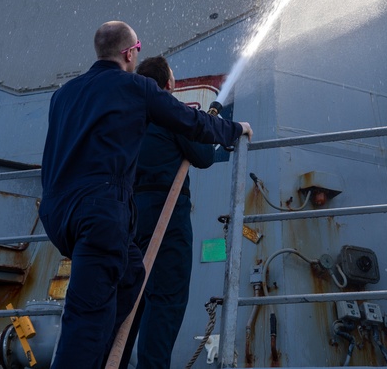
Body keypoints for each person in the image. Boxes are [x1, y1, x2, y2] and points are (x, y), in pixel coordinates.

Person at [39, 21, 252, 369]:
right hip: (101, 215)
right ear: (128, 52)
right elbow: (191, 124)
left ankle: (110, 359)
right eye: (137, 49)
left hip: (60, 213)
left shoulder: (64, 94)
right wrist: (234, 129)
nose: (138, 55)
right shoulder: (136, 88)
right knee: (86, 320)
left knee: (130, 276)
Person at [132, 56, 218, 369]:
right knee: (166, 299)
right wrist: (203, 126)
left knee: (130, 301)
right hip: (165, 215)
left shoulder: (129, 118)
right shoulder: (170, 111)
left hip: (130, 216)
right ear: (169, 85)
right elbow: (204, 156)